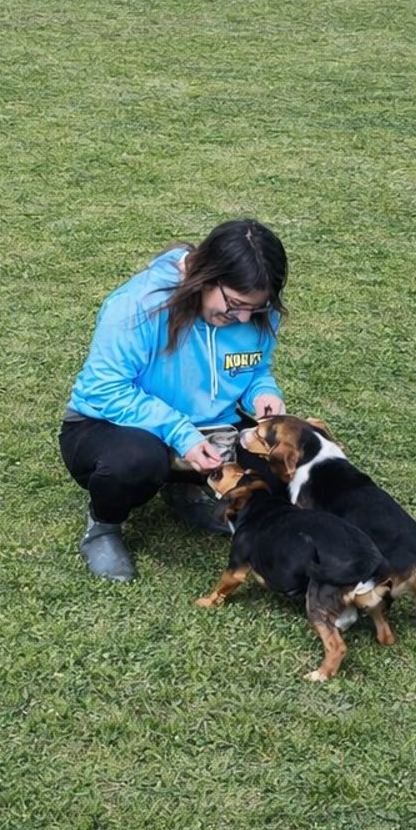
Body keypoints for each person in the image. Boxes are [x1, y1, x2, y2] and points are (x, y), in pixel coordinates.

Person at [60, 218, 289, 581]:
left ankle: (184, 491)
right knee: (134, 462)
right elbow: (105, 389)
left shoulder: (253, 310)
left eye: (255, 308)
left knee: (283, 466)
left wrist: (263, 392)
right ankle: (102, 528)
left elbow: (253, 368)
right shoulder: (137, 304)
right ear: (204, 276)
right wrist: (181, 433)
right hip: (112, 426)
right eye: (235, 305)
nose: (243, 317)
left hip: (210, 428)